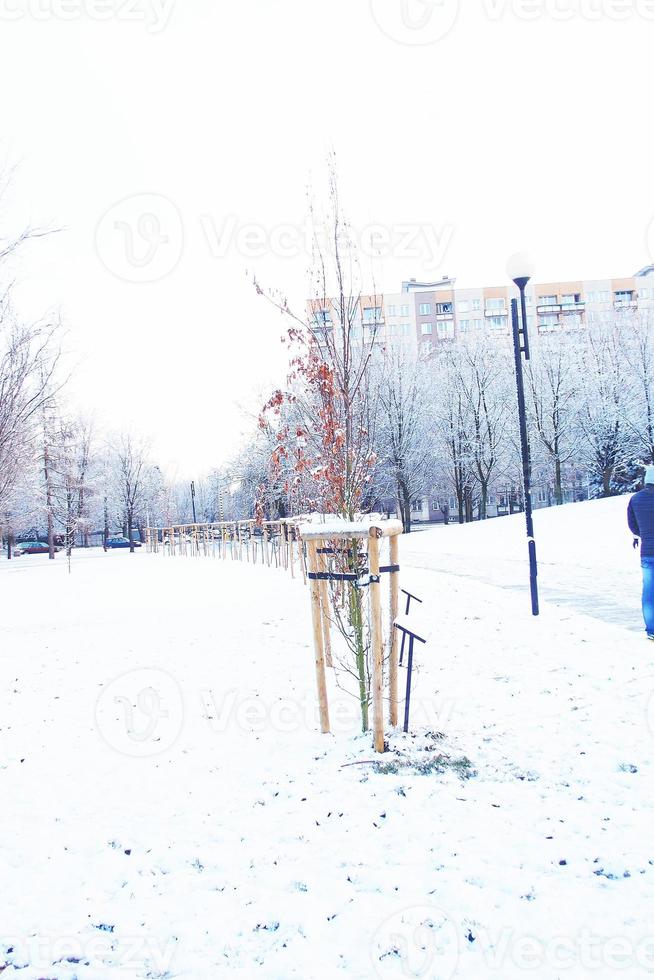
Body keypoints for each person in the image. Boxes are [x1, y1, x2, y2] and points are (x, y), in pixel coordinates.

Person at [628, 465, 654, 639]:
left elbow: (632, 525)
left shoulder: (635, 499)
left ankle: (651, 630)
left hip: (647, 552)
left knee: (649, 591)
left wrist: (642, 533)